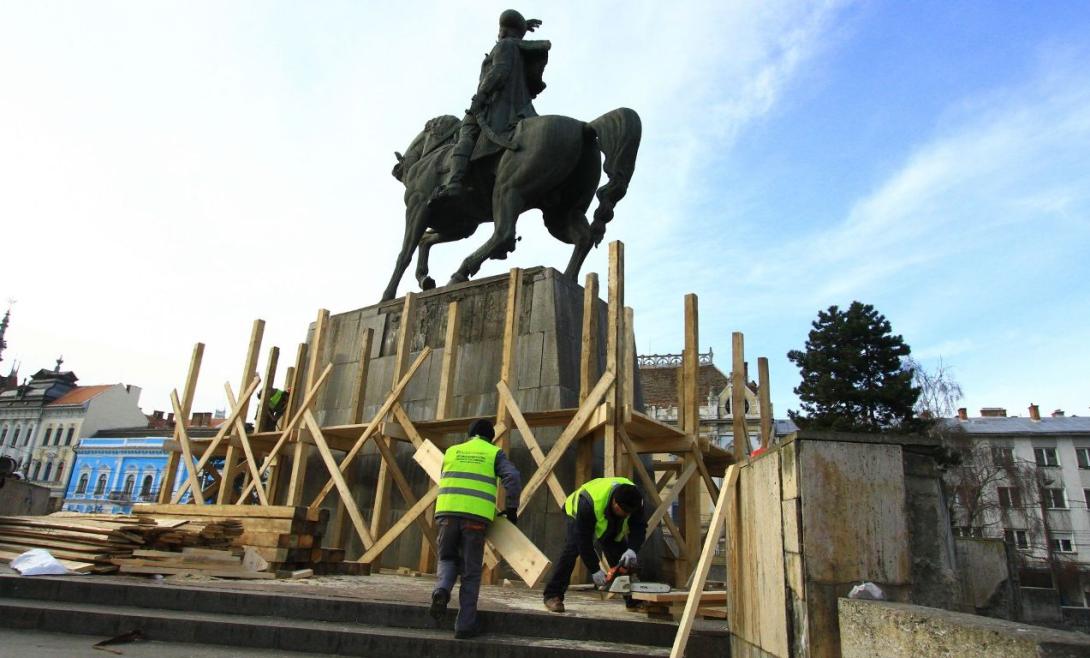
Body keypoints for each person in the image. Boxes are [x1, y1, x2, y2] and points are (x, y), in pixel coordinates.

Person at [432, 9, 550, 203]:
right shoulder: (518, 47)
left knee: (466, 131)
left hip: (496, 106)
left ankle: (454, 183)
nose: (498, 35)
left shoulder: (504, 45)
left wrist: (480, 98)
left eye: (500, 30)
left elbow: (499, 71)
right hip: (521, 107)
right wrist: (521, 28)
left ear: (503, 31)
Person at [430, 418, 522, 639]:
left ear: (469, 435)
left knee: (447, 559)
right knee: (471, 573)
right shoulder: (493, 453)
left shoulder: (452, 451)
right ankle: (465, 626)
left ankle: (441, 590)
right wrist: (511, 508)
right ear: (490, 437)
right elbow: (513, 477)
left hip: (446, 515)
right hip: (475, 520)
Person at [542, 477, 647, 613]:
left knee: (621, 557)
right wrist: (594, 569)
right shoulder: (589, 503)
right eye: (625, 512)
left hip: (607, 518)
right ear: (615, 503)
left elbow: (639, 527)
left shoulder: (636, 500)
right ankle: (552, 595)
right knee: (572, 549)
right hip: (577, 512)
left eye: (629, 513)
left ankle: (633, 600)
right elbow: (583, 541)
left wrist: (632, 549)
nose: (627, 515)